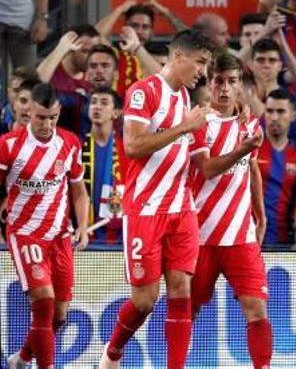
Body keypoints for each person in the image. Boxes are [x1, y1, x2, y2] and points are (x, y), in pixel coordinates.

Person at [99, 29, 216, 369]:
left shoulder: (182, 98)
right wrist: (183, 128)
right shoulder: (143, 92)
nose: (203, 73)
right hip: (146, 209)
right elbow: (133, 146)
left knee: (181, 290)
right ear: (178, 57)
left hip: (180, 208)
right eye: (200, 63)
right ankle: (113, 352)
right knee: (145, 300)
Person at [0, 82, 89, 369]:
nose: (47, 124)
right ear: (28, 111)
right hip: (25, 234)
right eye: (41, 117)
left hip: (60, 236)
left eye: (53, 117)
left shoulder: (70, 144)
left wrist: (81, 225)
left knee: (58, 316)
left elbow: (78, 190)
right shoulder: (8, 146)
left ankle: (22, 358)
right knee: (43, 304)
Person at [188, 53, 271, 369]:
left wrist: (260, 215)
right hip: (200, 236)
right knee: (188, 309)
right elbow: (207, 169)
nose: (224, 88)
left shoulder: (249, 121)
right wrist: (242, 148)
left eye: (232, 81)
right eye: (219, 81)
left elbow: (252, 168)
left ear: (240, 85)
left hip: (240, 236)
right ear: (209, 83)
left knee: (256, 309)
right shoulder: (197, 122)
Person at [95, 0, 184, 97]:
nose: (139, 31)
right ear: (125, 27)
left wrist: (165, 12)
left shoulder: (161, 54)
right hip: (116, 107)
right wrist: (119, 9)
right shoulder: (115, 52)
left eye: (145, 27)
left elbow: (190, 41)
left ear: (151, 32)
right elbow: (95, 37)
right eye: (134, 26)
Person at [36, 26, 101, 135]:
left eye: (93, 52)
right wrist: (61, 48)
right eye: (85, 51)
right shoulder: (52, 69)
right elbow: (35, 85)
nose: (91, 57)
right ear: (71, 49)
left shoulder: (95, 77)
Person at [82, 87, 125, 244]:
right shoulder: (77, 147)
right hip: (83, 233)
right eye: (93, 102)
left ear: (116, 113)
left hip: (117, 236)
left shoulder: (126, 150)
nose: (97, 106)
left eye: (104, 103)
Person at [257, 89, 296, 245]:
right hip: (249, 244)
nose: (274, 117)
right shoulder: (250, 149)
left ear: (293, 115)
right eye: (270, 111)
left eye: (281, 111)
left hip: (285, 245)